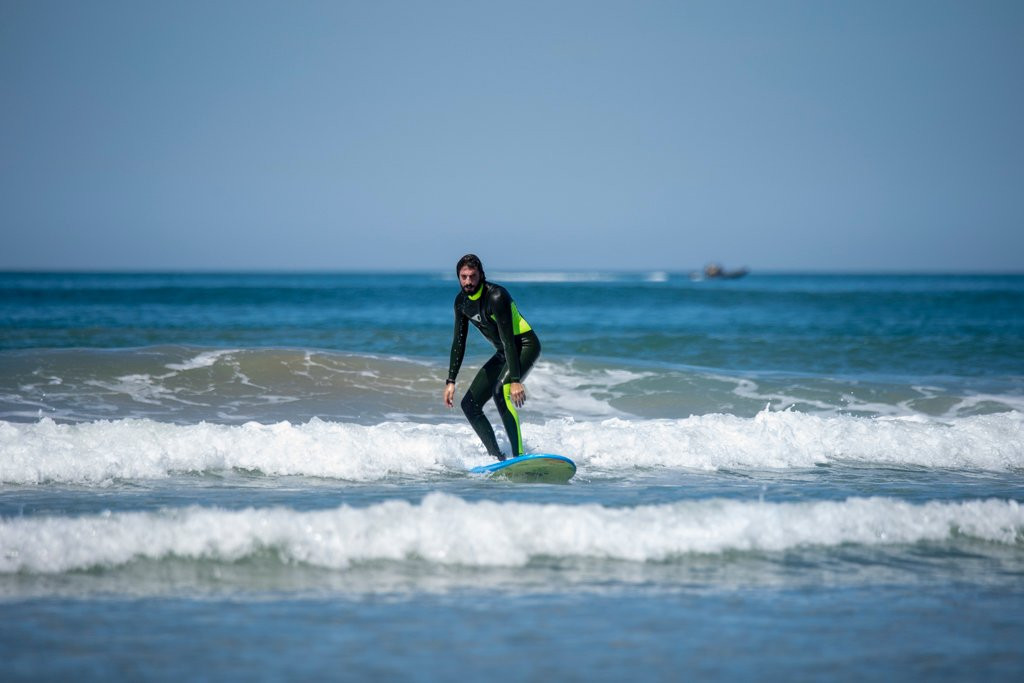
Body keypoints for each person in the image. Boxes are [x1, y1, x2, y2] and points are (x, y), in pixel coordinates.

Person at [443, 254, 541, 460]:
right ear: (458, 277)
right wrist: (451, 380)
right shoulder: (461, 302)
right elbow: (458, 342)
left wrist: (515, 380)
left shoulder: (496, 297)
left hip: (524, 346)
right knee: (469, 404)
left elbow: (508, 340)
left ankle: (519, 456)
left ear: (480, 275)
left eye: (472, 276)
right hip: (504, 352)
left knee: (500, 391)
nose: (468, 281)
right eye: (463, 277)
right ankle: (497, 458)